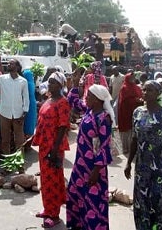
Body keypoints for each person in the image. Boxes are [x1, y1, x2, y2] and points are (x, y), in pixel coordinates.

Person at [124, 80, 162, 230]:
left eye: (149, 90)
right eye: (144, 90)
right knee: (141, 202)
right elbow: (134, 139)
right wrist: (129, 162)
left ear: (158, 93)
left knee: (159, 202)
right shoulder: (137, 112)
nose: (145, 93)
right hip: (142, 168)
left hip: (160, 168)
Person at [66, 84, 113, 230]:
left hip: (94, 167)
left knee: (93, 200)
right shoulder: (89, 111)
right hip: (80, 164)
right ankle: (78, 225)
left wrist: (96, 170)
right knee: (75, 194)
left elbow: (104, 146)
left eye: (90, 96)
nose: (86, 98)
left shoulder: (103, 118)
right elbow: (73, 101)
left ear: (98, 99)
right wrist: (74, 84)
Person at [32, 72, 70, 229]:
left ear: (61, 85)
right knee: (46, 180)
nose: (50, 84)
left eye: (54, 82)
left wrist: (54, 151)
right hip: (44, 144)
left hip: (54, 146)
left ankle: (54, 215)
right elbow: (42, 120)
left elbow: (63, 127)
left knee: (53, 179)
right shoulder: (49, 100)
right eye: (49, 82)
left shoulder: (62, 102)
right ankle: (47, 208)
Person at [0, 58, 29, 156]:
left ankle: (20, 165)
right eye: (8, 63)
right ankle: (7, 166)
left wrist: (24, 114)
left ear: (17, 67)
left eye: (11, 63)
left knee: (20, 141)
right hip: (4, 113)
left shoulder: (23, 81)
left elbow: (26, 98)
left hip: (18, 115)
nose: (8, 65)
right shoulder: (2, 78)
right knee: (5, 141)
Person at [117, 72, 143, 155]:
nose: (133, 79)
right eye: (131, 78)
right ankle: (125, 148)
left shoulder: (137, 87)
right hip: (126, 112)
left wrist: (140, 100)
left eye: (134, 77)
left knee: (134, 129)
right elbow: (124, 100)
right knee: (126, 130)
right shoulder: (124, 88)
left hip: (136, 111)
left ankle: (134, 148)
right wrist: (135, 100)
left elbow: (141, 96)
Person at [22, 69, 37, 141]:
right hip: (33, 103)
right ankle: (30, 139)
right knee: (32, 121)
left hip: (27, 103)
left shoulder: (26, 83)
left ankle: (27, 140)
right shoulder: (32, 83)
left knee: (27, 121)